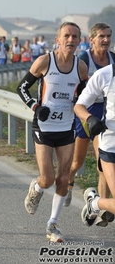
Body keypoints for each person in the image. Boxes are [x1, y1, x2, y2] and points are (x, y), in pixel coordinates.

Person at [16, 22, 88, 242]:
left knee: (64, 178)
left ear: (79, 40)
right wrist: (36, 107)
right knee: (47, 178)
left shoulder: (81, 67)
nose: (71, 40)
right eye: (67, 36)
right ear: (58, 39)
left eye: (75, 36)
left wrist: (78, 102)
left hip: (66, 126)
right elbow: (22, 88)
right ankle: (37, 188)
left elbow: (84, 94)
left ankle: (52, 225)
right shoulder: (45, 61)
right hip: (44, 127)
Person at [65, 23, 115, 227]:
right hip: (87, 114)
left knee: (101, 165)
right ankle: (68, 184)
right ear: (92, 39)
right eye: (101, 36)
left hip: (104, 114)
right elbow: (75, 92)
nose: (105, 40)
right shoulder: (84, 59)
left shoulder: (112, 59)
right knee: (77, 162)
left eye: (108, 36)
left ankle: (103, 209)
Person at [74, 63, 115, 228]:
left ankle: (95, 203)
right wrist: (90, 119)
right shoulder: (105, 74)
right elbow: (79, 106)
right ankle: (96, 204)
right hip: (110, 148)